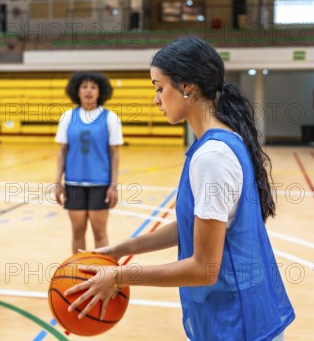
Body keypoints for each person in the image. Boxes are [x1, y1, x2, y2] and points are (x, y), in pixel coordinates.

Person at [65, 37, 295, 340]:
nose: (156, 99)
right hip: (237, 315)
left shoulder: (212, 157)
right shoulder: (220, 142)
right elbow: (192, 226)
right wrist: (121, 250)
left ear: (187, 87)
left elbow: (204, 268)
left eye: (159, 87)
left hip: (237, 323)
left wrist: (120, 277)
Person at [54, 71, 123, 253]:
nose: (88, 91)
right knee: (77, 232)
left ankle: (102, 273)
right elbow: (62, 151)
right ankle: (78, 274)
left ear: (100, 92)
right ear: (77, 91)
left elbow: (115, 154)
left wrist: (114, 185)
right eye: (84, 86)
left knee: (100, 233)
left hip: (100, 184)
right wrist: (57, 183)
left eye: (93, 87)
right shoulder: (67, 117)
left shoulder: (110, 118)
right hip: (73, 183)